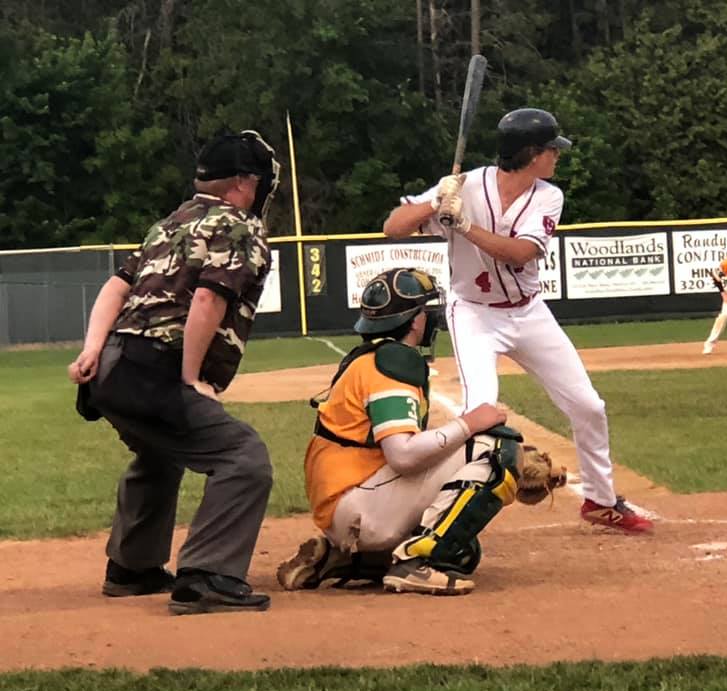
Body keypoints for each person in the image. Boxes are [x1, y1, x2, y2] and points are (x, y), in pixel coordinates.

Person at [380, 107, 652, 534]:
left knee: (588, 405)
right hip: (473, 313)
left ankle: (600, 501)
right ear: (530, 153)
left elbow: (520, 253)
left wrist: (463, 225)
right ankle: (445, 517)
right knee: (480, 411)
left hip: (528, 312)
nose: (556, 156)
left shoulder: (548, 195)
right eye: (550, 149)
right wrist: (435, 201)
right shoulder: (465, 185)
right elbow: (392, 227)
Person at [67, 130, 281, 615]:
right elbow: (208, 298)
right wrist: (190, 377)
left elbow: (116, 287)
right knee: (243, 457)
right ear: (244, 183)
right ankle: (207, 576)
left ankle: (132, 568)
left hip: (113, 367)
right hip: (154, 369)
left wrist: (91, 351)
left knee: (160, 454)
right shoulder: (240, 225)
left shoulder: (170, 223)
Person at [276, 268, 521, 596]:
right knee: (496, 448)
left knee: (463, 553)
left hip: (347, 499)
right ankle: (417, 564)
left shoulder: (371, 359)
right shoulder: (392, 365)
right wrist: (469, 425)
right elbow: (403, 455)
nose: (431, 317)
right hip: (358, 504)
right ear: (415, 320)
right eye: (426, 310)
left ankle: (345, 560)